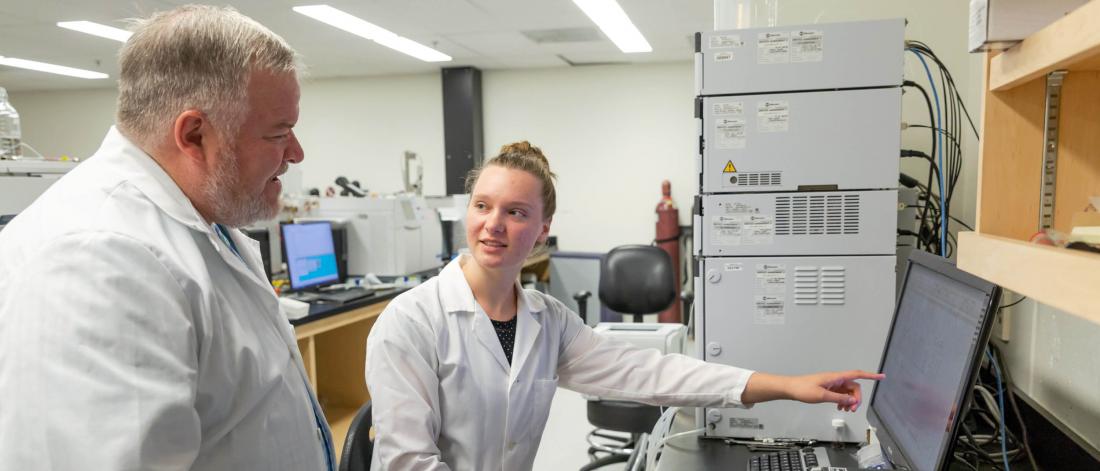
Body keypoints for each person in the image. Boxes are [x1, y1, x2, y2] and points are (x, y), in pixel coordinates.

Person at [365, 141, 885, 470]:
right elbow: (407, 464)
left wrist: (789, 387)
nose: (493, 224)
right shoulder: (411, 322)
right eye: (482, 206)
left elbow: (655, 374)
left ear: (543, 229)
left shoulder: (546, 322)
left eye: (516, 211)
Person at [0, 6, 334, 470]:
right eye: (279, 133)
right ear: (194, 134)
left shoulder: (202, 219)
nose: (296, 154)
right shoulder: (100, 258)